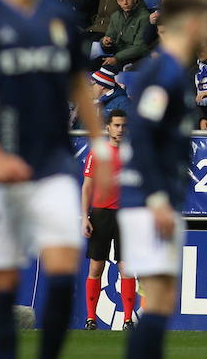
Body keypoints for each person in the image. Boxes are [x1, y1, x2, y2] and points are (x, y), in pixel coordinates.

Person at [0, 0, 106, 359]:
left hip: (54, 164)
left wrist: (100, 143)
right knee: (5, 279)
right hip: (0, 167)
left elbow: (78, 85)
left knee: (64, 264)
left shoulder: (60, 17)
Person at [116, 0, 207, 357]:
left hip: (152, 195)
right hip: (148, 198)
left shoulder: (171, 70)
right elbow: (140, 135)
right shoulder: (166, 72)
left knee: (160, 298)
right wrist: (158, 198)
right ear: (191, 24)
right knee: (157, 297)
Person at [82, 108, 134, 330]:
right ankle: (91, 318)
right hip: (101, 214)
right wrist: (85, 217)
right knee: (96, 268)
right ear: (108, 127)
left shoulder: (133, 153)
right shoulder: (98, 153)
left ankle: (128, 320)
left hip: (126, 216)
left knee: (127, 268)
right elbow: (87, 187)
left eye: (123, 125)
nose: (120, 129)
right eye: (116, 125)